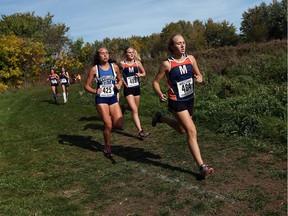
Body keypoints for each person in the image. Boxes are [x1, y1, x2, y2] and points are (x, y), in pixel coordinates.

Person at [152, 33, 214, 179]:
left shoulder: (191, 59)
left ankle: (160, 118)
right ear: (172, 47)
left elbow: (199, 75)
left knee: (181, 129)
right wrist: (160, 94)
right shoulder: (167, 64)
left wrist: (199, 78)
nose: (182, 45)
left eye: (184, 42)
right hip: (176, 100)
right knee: (192, 131)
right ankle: (202, 167)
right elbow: (155, 82)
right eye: (178, 43)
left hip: (189, 99)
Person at [84, 47, 123, 157]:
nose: (105, 55)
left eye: (106, 53)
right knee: (108, 125)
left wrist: (119, 85)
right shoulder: (94, 69)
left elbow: (120, 79)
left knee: (119, 124)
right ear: (98, 56)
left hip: (113, 98)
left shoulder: (114, 67)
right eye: (102, 53)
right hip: (101, 99)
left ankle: (108, 123)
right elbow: (86, 86)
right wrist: (95, 91)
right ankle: (107, 146)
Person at [119, 47, 149, 138]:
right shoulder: (122, 64)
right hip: (128, 89)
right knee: (135, 110)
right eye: (129, 52)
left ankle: (124, 107)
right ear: (125, 54)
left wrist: (140, 74)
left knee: (134, 108)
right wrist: (122, 80)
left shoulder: (137, 63)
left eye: (132, 52)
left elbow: (144, 73)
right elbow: (117, 74)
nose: (131, 54)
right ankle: (140, 131)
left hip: (136, 88)